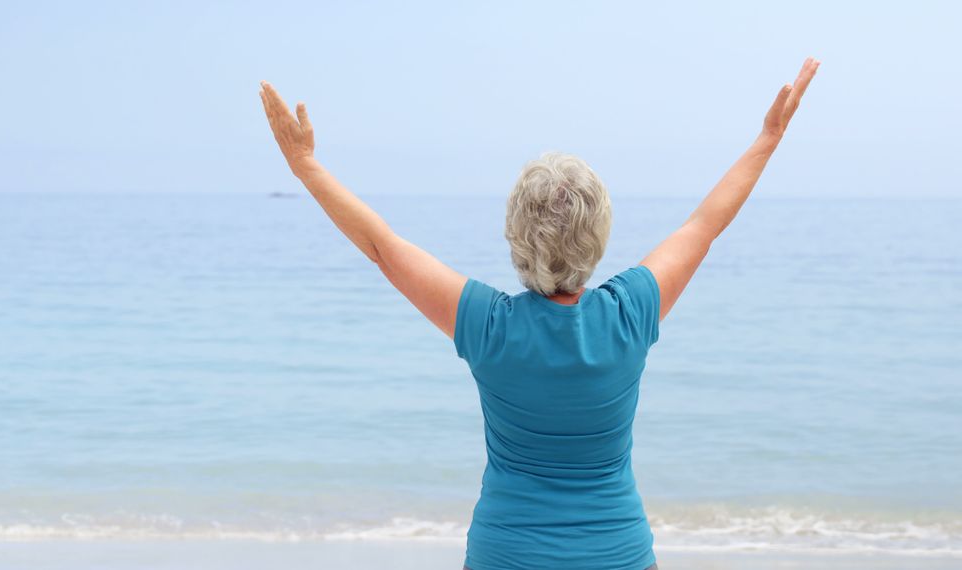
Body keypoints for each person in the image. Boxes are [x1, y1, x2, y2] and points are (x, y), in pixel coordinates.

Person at [259, 57, 819, 570]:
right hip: (617, 555)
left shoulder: (489, 326)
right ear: (599, 235)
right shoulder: (630, 313)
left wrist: (305, 165)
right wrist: (768, 139)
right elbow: (705, 224)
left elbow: (381, 245)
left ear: (516, 236)